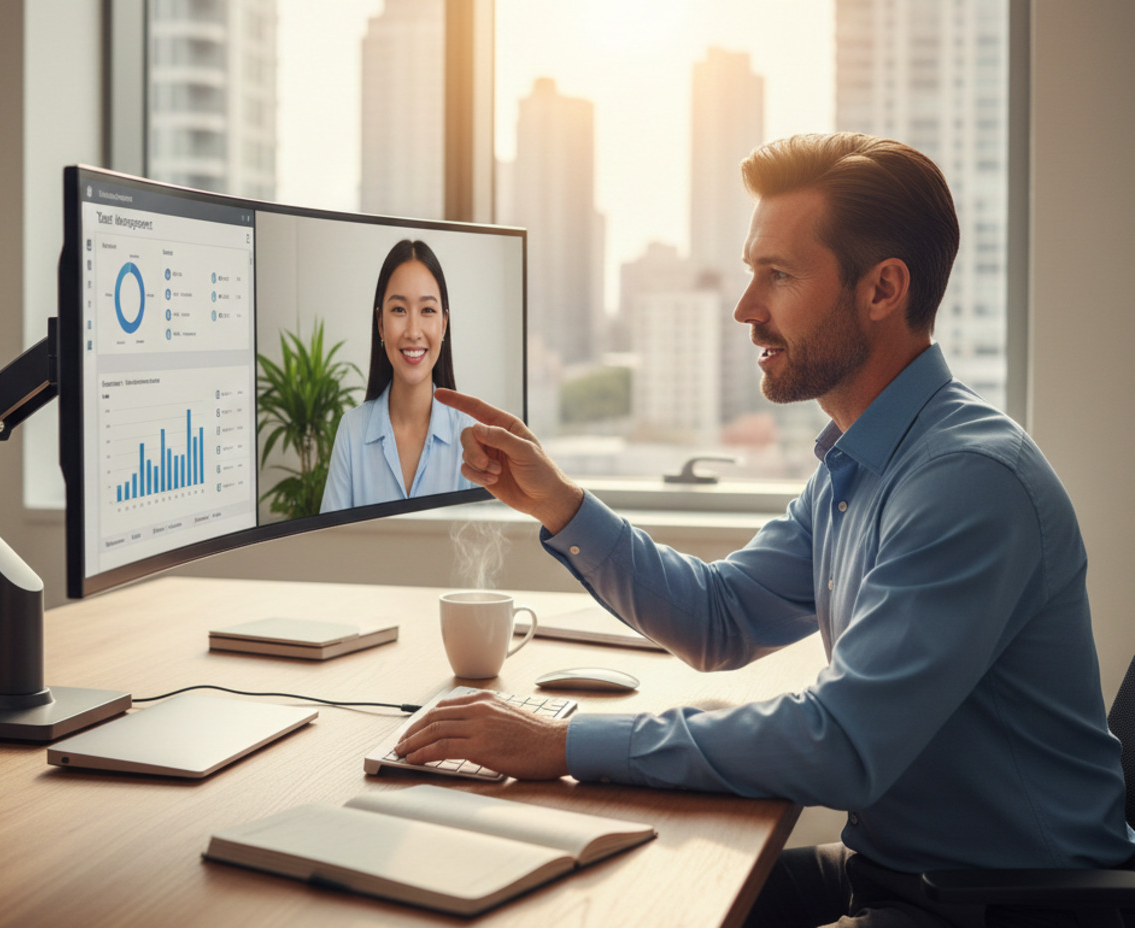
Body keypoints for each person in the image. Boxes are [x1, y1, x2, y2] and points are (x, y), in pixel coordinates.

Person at [395, 133, 1135, 927]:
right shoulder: (862, 463)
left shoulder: (969, 482)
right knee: (633, 899)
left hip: (1007, 906)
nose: (747, 308)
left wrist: (564, 745)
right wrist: (559, 504)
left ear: (883, 289)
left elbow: (840, 744)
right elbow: (721, 618)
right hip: (898, 872)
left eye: (777, 276)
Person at [320, 239, 474, 512]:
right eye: (399, 310)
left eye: (427, 310)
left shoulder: (471, 436)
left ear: (444, 324)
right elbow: (331, 549)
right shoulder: (351, 432)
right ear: (380, 324)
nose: (413, 331)